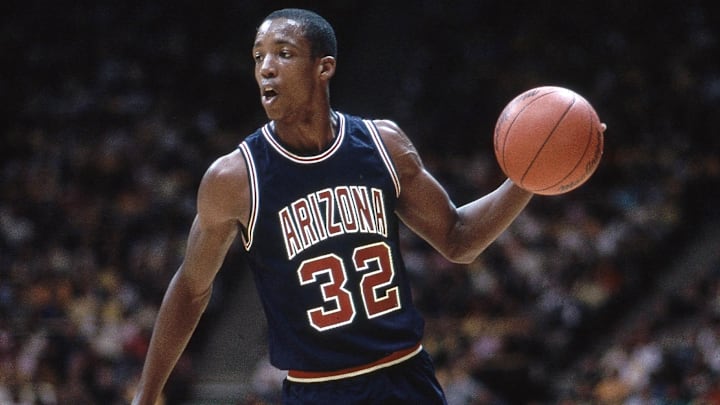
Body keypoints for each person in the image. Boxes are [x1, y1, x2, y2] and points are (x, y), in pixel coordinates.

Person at [133, 8, 537, 405]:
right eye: (259, 56)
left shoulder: (384, 145)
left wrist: (528, 177)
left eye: (284, 53)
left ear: (323, 67)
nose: (266, 68)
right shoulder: (235, 178)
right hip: (317, 388)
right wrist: (146, 396)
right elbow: (190, 289)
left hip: (405, 377)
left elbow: (458, 238)